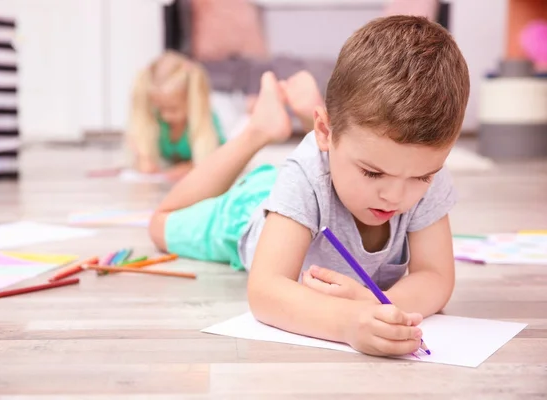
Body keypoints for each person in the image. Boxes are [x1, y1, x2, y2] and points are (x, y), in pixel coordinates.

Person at [148, 15, 470, 357]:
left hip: (311, 177)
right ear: (325, 132)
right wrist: (348, 321)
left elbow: (435, 276)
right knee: (160, 225)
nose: (395, 195)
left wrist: (381, 303)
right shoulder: (307, 177)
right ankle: (259, 130)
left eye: (422, 178)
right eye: (373, 173)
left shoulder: (417, 163)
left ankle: (306, 114)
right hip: (249, 211)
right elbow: (266, 291)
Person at [126, 51, 226, 181]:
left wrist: (188, 168)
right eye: (160, 108)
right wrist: (144, 160)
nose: (165, 116)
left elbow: (217, 160)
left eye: (173, 109)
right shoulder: (155, 121)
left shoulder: (206, 121)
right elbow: (140, 150)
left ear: (192, 100)